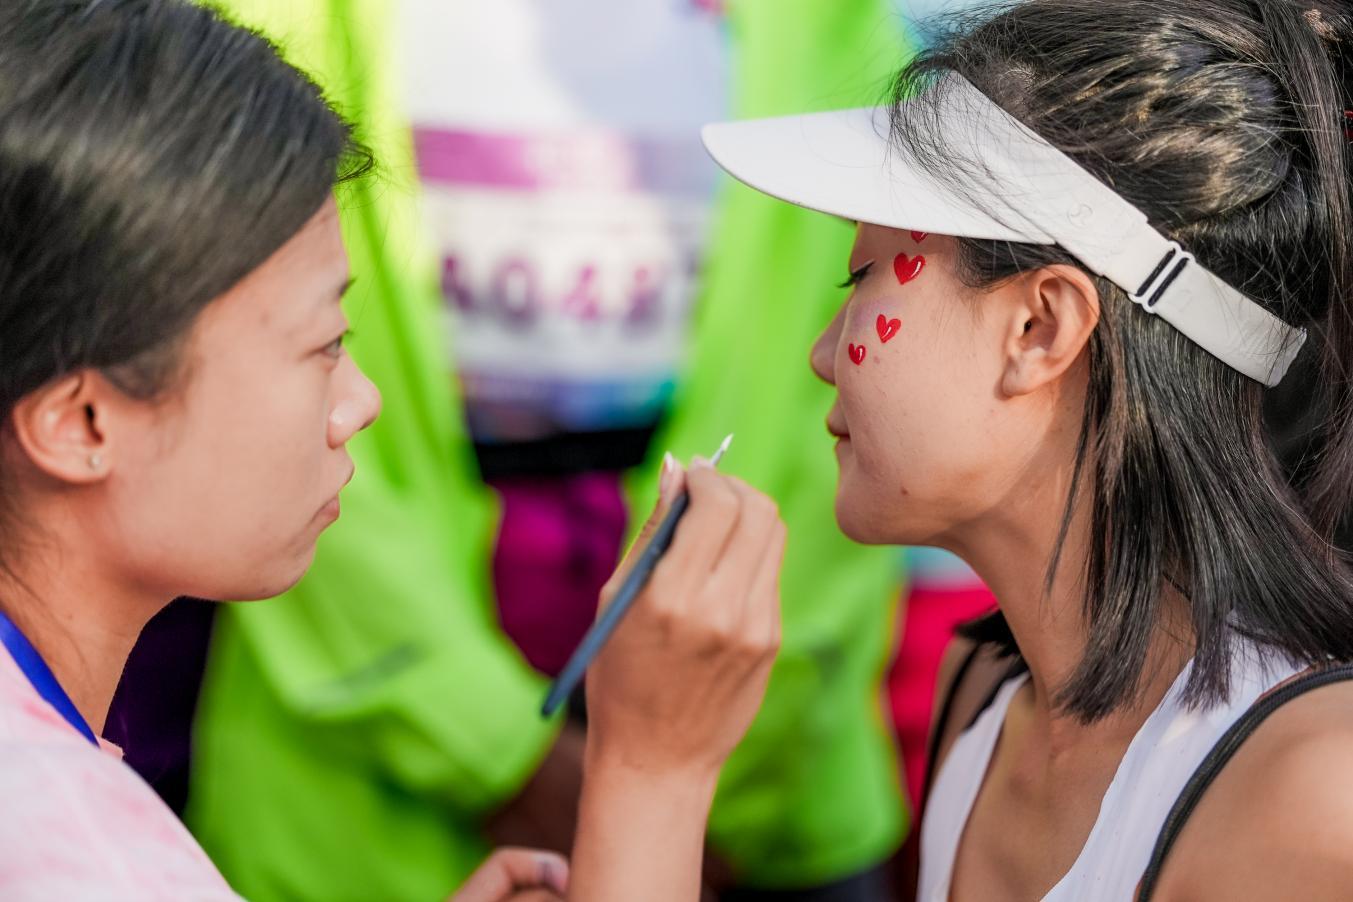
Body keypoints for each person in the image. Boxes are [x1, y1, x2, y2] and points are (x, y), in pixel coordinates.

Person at [0, 2, 783, 899]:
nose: (359, 404)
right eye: (325, 344)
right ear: (81, 423)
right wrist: (651, 774)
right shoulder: (77, 851)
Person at [687, 0, 1353, 898]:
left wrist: (653, 768)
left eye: (861, 278)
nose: (821, 352)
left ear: (1039, 328)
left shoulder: (1307, 796)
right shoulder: (987, 695)